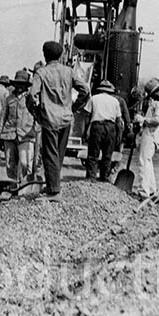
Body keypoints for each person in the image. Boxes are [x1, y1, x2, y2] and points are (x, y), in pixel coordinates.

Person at [27, 41, 90, 199]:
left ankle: (54, 191)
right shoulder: (69, 71)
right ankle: (52, 185)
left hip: (49, 119)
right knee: (58, 155)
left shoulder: (41, 73)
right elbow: (85, 90)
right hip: (66, 119)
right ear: (61, 54)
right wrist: (74, 108)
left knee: (50, 155)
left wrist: (36, 113)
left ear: (44, 54)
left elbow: (31, 96)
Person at [0, 69, 36, 183]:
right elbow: (2, 117)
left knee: (25, 162)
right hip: (9, 134)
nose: (19, 87)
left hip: (26, 134)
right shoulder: (9, 99)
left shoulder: (31, 98)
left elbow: (37, 116)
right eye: (17, 84)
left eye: (22, 84)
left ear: (26, 86)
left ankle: (23, 184)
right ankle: (14, 186)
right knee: (10, 163)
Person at [82, 81, 124, 181]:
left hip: (97, 126)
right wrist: (118, 135)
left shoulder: (94, 98)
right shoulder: (115, 101)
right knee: (107, 154)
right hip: (110, 127)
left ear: (100, 89)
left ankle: (91, 178)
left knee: (93, 154)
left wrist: (85, 131)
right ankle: (104, 178)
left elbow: (87, 116)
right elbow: (119, 120)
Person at [134, 78, 159, 197]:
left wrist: (143, 119)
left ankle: (143, 191)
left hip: (152, 132)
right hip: (150, 131)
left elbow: (157, 120)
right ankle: (151, 189)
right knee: (147, 160)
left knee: (144, 160)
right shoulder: (154, 103)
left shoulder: (158, 104)